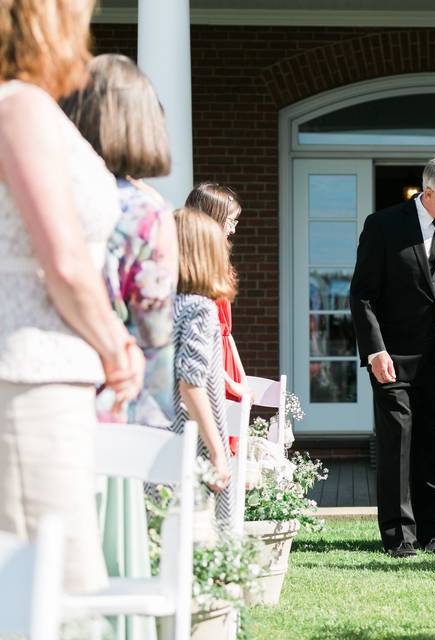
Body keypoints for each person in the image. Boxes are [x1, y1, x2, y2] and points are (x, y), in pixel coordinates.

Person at [0, 0, 144, 594]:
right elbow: (61, 258)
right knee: (53, 593)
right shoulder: (20, 109)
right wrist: (116, 346)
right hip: (29, 377)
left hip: (45, 376)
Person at [61, 53, 175, 640]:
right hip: (111, 408)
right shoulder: (145, 212)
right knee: (104, 571)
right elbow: (155, 335)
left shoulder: (42, 196)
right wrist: (154, 436)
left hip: (41, 395)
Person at [350, 153, 435, 557]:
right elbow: (362, 294)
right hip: (391, 357)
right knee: (397, 447)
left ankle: (433, 532)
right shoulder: (383, 225)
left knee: (434, 449)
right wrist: (374, 351)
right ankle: (399, 536)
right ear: (428, 193)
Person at [173, 208, 234, 523]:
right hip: (189, 438)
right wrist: (216, 451)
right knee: (200, 530)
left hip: (160, 432)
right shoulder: (200, 308)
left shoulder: (157, 304)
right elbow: (191, 384)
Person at [185, 183, 247, 402]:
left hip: (223, 360)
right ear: (212, 219)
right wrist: (230, 382)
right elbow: (197, 342)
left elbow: (226, 334)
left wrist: (241, 379)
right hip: (210, 364)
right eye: (231, 221)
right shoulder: (193, 274)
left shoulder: (218, 264)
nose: (233, 229)